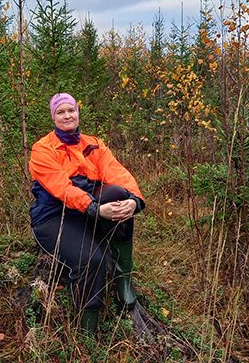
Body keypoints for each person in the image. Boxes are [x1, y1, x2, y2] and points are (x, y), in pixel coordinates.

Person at [29, 92, 145, 333]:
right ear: (53, 117)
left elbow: (117, 173)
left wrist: (135, 201)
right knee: (93, 260)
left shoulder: (94, 144)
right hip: (54, 217)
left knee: (118, 193)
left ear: (78, 113)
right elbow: (62, 188)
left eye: (71, 110)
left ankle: (124, 277)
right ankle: (87, 330)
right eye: (60, 112)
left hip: (87, 211)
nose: (67, 115)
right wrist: (94, 208)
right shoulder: (43, 149)